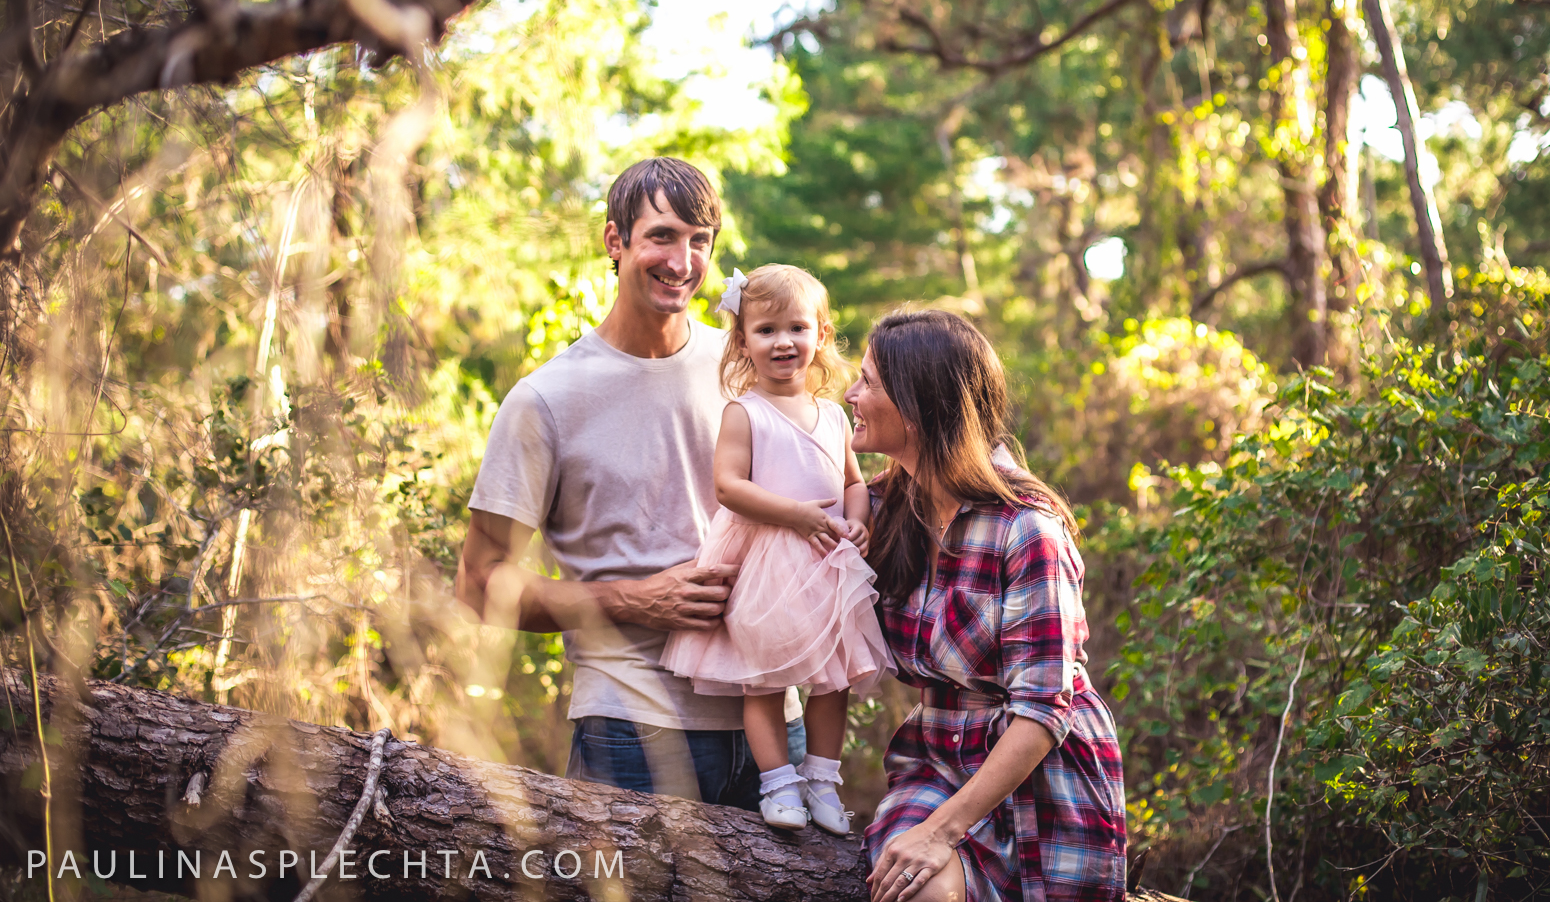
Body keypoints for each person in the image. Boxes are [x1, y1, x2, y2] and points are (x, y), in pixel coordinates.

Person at [455, 156, 799, 812]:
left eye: (701, 240)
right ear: (615, 241)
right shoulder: (546, 401)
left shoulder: (747, 366)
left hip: (774, 722)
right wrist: (636, 598)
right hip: (630, 729)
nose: (683, 260)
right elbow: (478, 584)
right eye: (663, 236)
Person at [845, 310, 1127, 902]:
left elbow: (1045, 709)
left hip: (1044, 779)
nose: (851, 393)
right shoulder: (880, 509)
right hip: (936, 761)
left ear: (919, 406)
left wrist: (941, 831)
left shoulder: (1026, 530)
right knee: (913, 889)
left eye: (868, 382)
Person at [661, 264, 894, 834]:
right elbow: (728, 486)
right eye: (765, 330)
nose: (783, 341)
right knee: (763, 680)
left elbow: (853, 483)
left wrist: (858, 521)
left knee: (832, 678)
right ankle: (779, 783)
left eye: (796, 327)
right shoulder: (745, 412)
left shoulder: (834, 415)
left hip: (825, 563)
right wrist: (792, 513)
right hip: (768, 558)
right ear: (742, 341)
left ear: (820, 335)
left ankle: (820, 777)